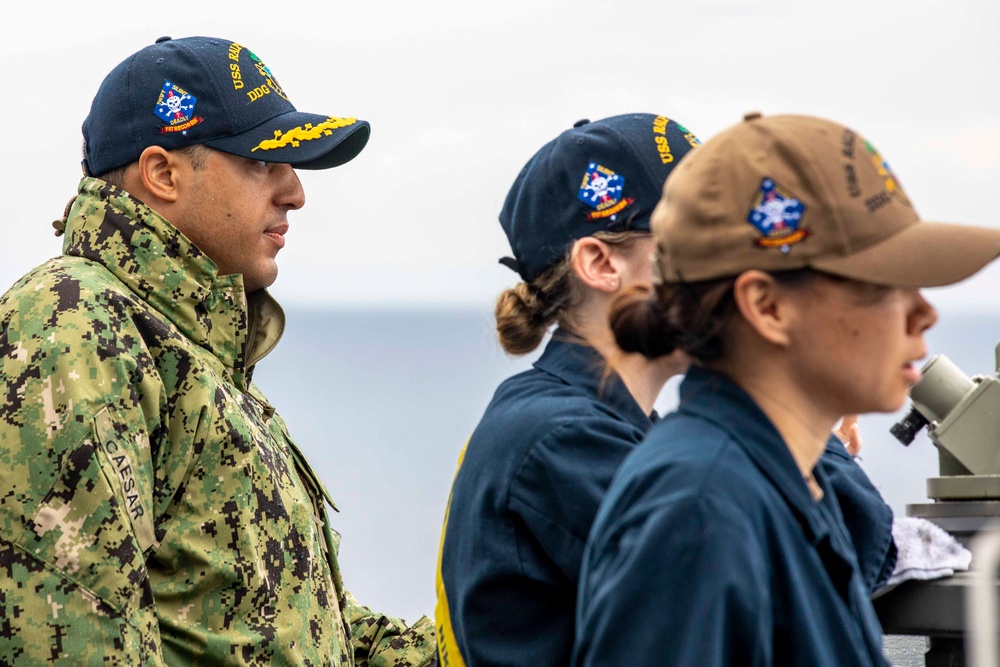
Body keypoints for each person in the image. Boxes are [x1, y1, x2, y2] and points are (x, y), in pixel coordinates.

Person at [0, 36, 436, 666]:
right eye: (263, 162)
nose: (295, 192)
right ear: (163, 174)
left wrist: (481, 641)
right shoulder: (71, 327)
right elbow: (64, 639)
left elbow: (298, 639)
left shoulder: (186, 346)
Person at [434, 114, 892, 667]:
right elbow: (811, 585)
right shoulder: (566, 439)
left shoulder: (584, 424)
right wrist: (799, 417)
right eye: (701, 238)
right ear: (602, 263)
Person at [572, 112, 1000, 666]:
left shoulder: (781, 488)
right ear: (768, 307)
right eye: (884, 283)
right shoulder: (700, 514)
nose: (923, 312)